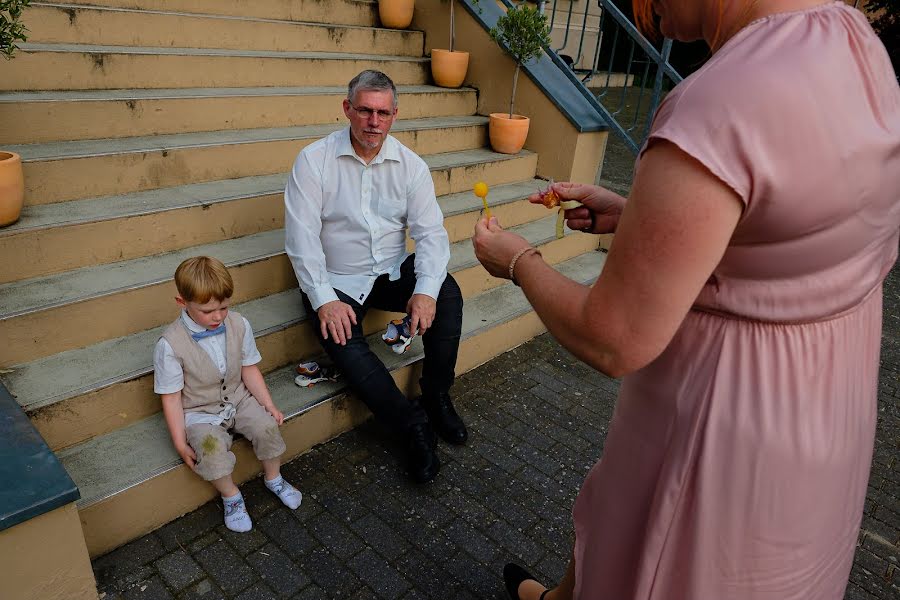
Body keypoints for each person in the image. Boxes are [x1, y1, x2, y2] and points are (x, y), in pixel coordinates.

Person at [473, 0, 900, 597]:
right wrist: (641, 218)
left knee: (660, 563)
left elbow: (612, 335)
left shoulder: (722, 100)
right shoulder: (854, 42)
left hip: (724, 424)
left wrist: (518, 261)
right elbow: (796, 227)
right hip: (825, 407)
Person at [284, 70, 467, 484]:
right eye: (364, 110)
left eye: (382, 113)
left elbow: (431, 235)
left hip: (389, 269)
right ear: (347, 109)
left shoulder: (410, 166)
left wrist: (424, 292)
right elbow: (301, 238)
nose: (373, 121)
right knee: (339, 338)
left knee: (447, 292)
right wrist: (323, 297)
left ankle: (436, 395)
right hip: (336, 279)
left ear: (395, 115)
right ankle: (411, 424)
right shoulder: (314, 161)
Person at [154, 256, 302, 533]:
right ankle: (231, 496)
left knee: (267, 427)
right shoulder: (170, 345)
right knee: (210, 451)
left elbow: (249, 369)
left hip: (238, 398)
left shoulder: (238, 324)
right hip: (200, 411)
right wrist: (179, 442)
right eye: (208, 311)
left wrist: (267, 404)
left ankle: (274, 478)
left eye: (224, 307)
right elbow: (171, 398)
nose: (218, 316)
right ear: (182, 303)